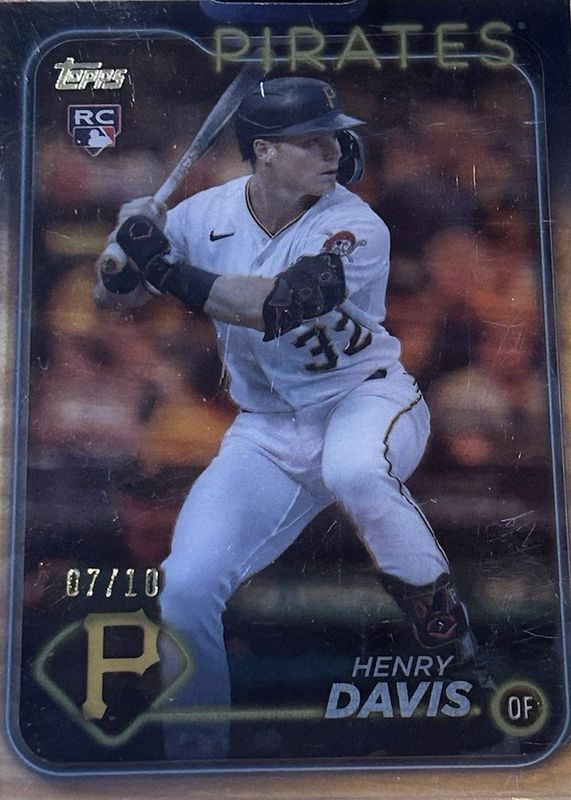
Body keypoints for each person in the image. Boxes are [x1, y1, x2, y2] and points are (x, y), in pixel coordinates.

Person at [95, 77, 480, 760]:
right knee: (185, 587)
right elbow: (113, 298)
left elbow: (275, 304)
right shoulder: (202, 215)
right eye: (312, 140)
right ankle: (194, 760)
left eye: (334, 137)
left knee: (355, 471)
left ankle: (459, 663)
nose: (334, 150)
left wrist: (165, 266)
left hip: (364, 400)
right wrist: (126, 246)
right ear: (265, 151)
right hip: (266, 429)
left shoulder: (356, 223)